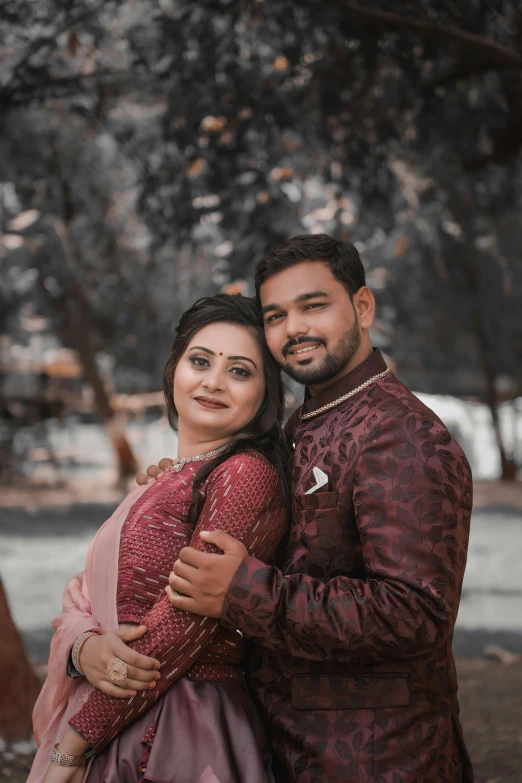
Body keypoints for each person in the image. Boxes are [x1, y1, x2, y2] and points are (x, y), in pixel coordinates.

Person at [140, 234, 474, 783]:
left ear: (361, 307)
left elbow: (415, 612)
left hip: (380, 758)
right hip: (284, 745)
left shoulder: (404, 435)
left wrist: (245, 592)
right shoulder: (303, 424)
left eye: (313, 305)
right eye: (276, 315)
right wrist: (179, 486)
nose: (294, 328)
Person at [29, 294, 290, 783]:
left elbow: (181, 620)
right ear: (174, 370)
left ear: (266, 393)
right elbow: (82, 593)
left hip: (178, 731)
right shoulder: (169, 478)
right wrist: (83, 649)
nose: (213, 381)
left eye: (239, 371)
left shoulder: (245, 473)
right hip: (120, 718)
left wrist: (71, 749)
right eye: (200, 361)